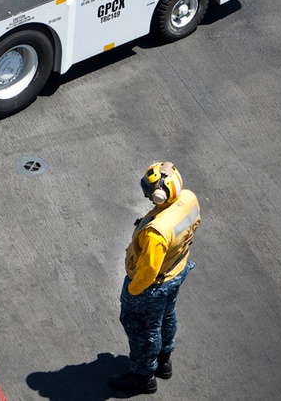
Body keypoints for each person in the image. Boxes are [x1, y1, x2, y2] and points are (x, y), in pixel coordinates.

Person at [109, 162, 201, 395]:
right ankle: (164, 361)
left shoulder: (156, 232)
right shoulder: (188, 199)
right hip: (177, 270)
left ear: (161, 194)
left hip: (153, 284)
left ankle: (143, 377)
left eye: (150, 191)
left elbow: (148, 271)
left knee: (142, 327)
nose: (148, 195)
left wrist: (133, 291)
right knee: (167, 315)